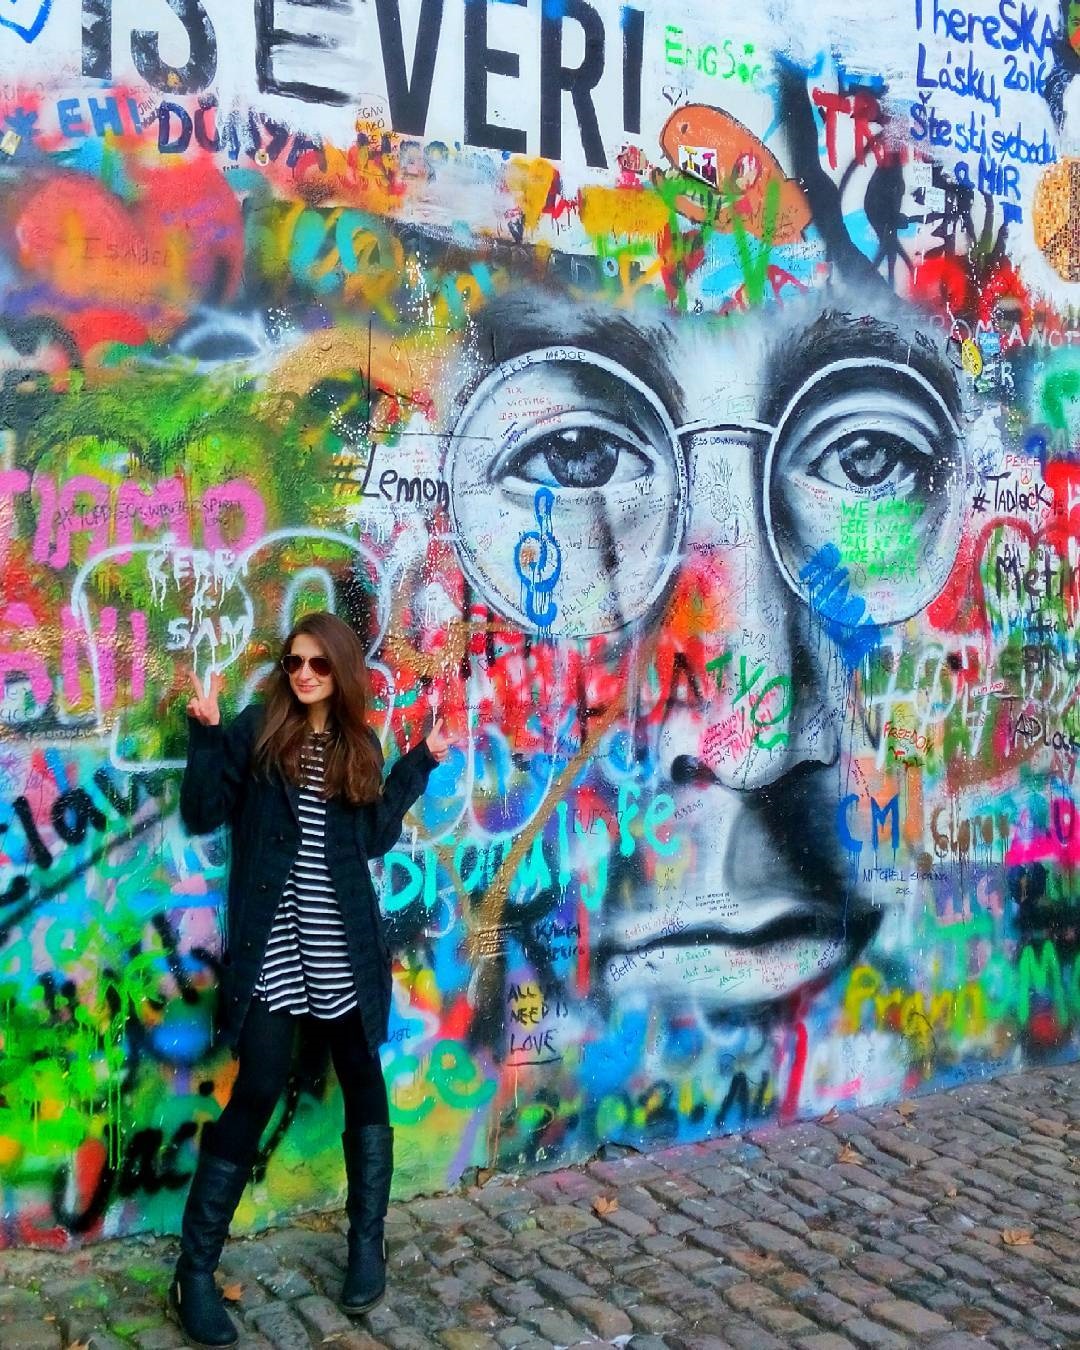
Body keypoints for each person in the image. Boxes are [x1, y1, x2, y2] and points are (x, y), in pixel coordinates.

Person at [169, 611, 450, 1348]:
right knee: (256, 1090)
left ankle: (366, 1244)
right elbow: (202, 812)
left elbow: (376, 833)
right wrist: (203, 734)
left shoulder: (359, 745)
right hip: (273, 950)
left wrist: (419, 761)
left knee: (363, 1078)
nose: (303, 675)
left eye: (319, 665)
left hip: (343, 945)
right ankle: (194, 1274)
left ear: (341, 672)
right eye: (295, 662)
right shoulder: (259, 733)